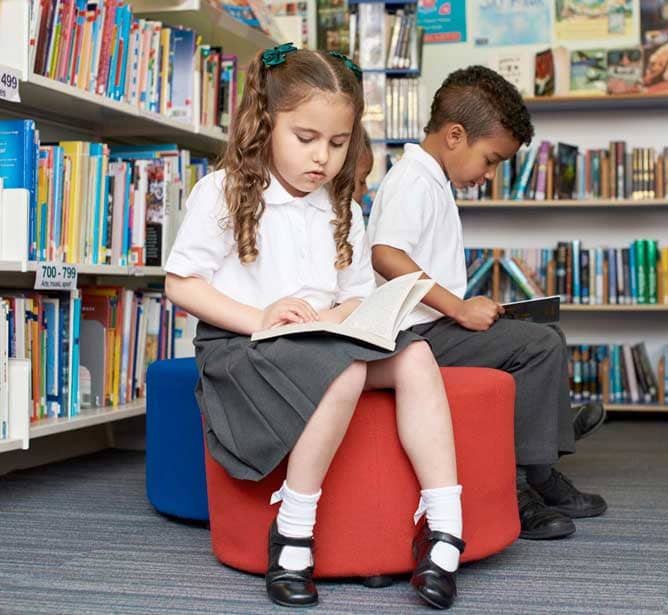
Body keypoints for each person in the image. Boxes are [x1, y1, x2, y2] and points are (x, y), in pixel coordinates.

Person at [164, 45, 466, 610]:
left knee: (417, 356)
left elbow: (355, 293)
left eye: (337, 142)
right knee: (344, 372)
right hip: (244, 342)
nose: (322, 158)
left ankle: (444, 526)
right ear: (265, 124)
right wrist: (263, 316)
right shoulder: (225, 192)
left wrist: (342, 315)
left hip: (323, 339)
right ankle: (294, 532)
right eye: (305, 139)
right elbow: (181, 286)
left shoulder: (342, 205)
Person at [367, 65, 607, 542]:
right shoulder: (412, 180)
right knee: (538, 347)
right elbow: (385, 255)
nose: (490, 174)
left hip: (431, 328)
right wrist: (458, 308)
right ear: (455, 136)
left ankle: (541, 464)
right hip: (411, 337)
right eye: (491, 159)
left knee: (545, 337)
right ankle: (521, 485)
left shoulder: (433, 180)